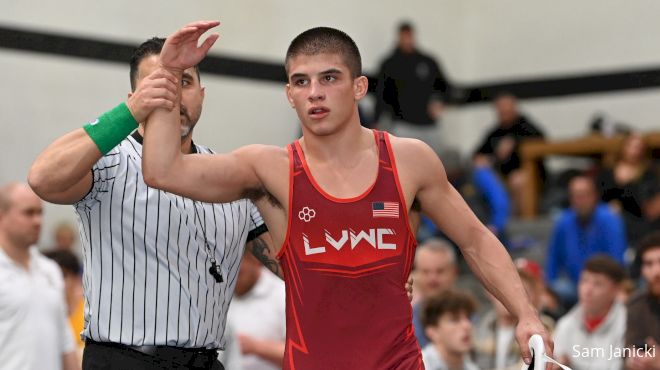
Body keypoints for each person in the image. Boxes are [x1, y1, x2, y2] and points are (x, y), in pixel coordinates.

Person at [142, 20, 552, 369]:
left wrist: (526, 314)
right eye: (301, 82)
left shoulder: (410, 161)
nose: (314, 92)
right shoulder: (269, 168)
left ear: (359, 87)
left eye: (329, 78)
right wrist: (168, 73)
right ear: (289, 95)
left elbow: (475, 239)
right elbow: (163, 170)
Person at [28, 37, 277, 370]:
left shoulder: (231, 175)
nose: (172, 95)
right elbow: (43, 177)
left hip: (207, 362)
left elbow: (293, 267)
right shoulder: (111, 162)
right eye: (158, 83)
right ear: (136, 98)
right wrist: (130, 114)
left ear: (202, 95)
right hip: (124, 360)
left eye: (184, 82)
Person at [0, 182, 80, 370]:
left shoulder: (50, 270)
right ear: (2, 217)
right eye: (28, 213)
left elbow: (64, 341)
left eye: (40, 213)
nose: (37, 221)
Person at [544, 174, 627, 306]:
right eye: (575, 195)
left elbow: (617, 260)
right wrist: (547, 290)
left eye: (584, 195)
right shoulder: (563, 222)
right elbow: (553, 258)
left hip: (604, 284)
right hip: (574, 285)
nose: (580, 200)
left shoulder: (610, 219)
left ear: (594, 196)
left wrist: (608, 286)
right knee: (554, 290)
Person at [374, 21, 449, 156]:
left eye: (409, 36)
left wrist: (440, 102)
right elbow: (381, 95)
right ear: (399, 37)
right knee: (403, 163)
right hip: (402, 125)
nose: (407, 40)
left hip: (429, 125)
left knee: (433, 163)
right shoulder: (389, 64)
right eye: (404, 37)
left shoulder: (428, 62)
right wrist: (376, 121)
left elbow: (445, 88)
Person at [474, 93, 545, 214]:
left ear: (514, 109)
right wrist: (484, 159)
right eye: (501, 112)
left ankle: (520, 220)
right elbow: (478, 153)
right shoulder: (495, 132)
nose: (503, 114)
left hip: (530, 175)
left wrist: (515, 143)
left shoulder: (526, 127)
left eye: (506, 111)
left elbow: (541, 143)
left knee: (517, 180)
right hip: (501, 175)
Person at [553, 255, 627, 370]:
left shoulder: (627, 325)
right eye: (584, 281)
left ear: (615, 290)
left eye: (598, 284)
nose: (587, 290)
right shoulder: (565, 324)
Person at [474, 268, 555, 370]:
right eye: (503, 289)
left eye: (522, 292)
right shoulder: (480, 326)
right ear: (489, 292)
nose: (507, 297)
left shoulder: (541, 328)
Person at [227, 252, 286, 370]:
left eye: (239, 273)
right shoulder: (215, 296)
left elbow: (305, 355)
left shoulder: (284, 293)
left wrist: (255, 347)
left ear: (256, 259)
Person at [597, 132, 658, 245]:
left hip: (636, 220)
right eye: (632, 146)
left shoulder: (648, 174)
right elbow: (599, 194)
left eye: (639, 147)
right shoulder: (608, 171)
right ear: (623, 147)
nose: (635, 151)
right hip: (609, 218)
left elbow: (650, 203)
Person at [411, 238, 458, 348]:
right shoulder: (408, 319)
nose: (432, 279)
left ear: (454, 272)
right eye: (425, 272)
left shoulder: (470, 315)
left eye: (440, 271)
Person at [625, 232, 660, 370]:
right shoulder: (635, 304)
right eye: (649, 264)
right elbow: (627, 350)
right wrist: (633, 360)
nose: (656, 271)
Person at [420, 289, 479, 370]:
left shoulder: (472, 367)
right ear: (433, 332)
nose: (467, 325)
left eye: (468, 318)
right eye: (455, 320)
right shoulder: (418, 366)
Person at [44, 249, 86, 356]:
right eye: (48, 277)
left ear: (76, 279)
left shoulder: (91, 316)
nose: (57, 282)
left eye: (62, 275)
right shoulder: (36, 316)